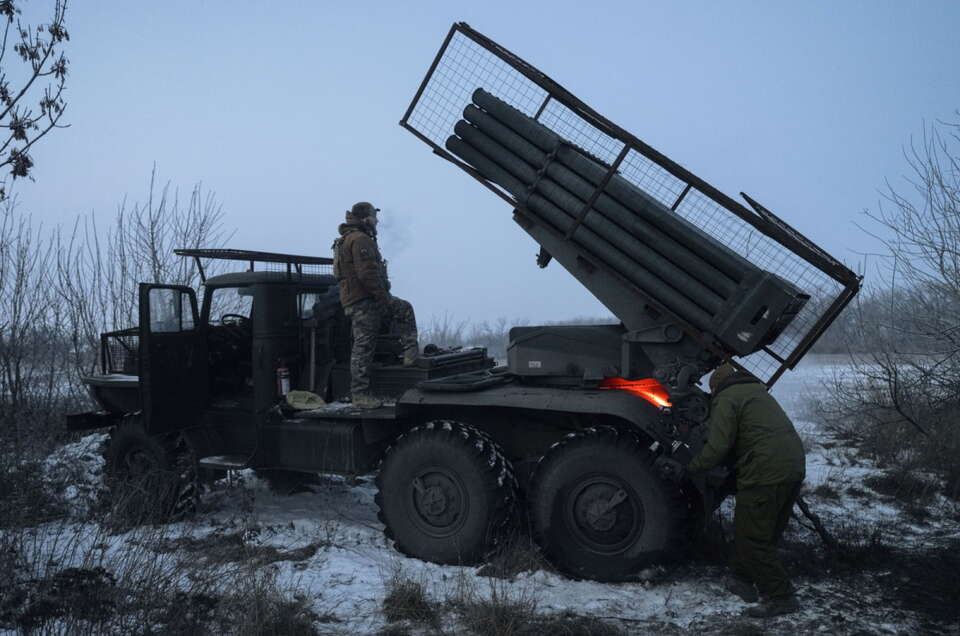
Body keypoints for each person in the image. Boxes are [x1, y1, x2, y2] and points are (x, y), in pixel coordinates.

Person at [685, 362, 806, 618]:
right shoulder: (757, 393)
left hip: (765, 471)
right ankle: (742, 580)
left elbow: (718, 447)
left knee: (751, 537)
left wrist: (692, 466)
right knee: (766, 531)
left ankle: (781, 596)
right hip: (793, 466)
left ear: (716, 388)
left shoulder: (726, 398)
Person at [333, 201, 419, 409]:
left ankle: (408, 356)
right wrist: (383, 297)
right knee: (365, 344)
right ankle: (360, 395)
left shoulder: (348, 239)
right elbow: (367, 274)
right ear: (366, 219)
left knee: (368, 340)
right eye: (374, 216)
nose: (377, 221)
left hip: (359, 298)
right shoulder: (360, 239)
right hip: (365, 299)